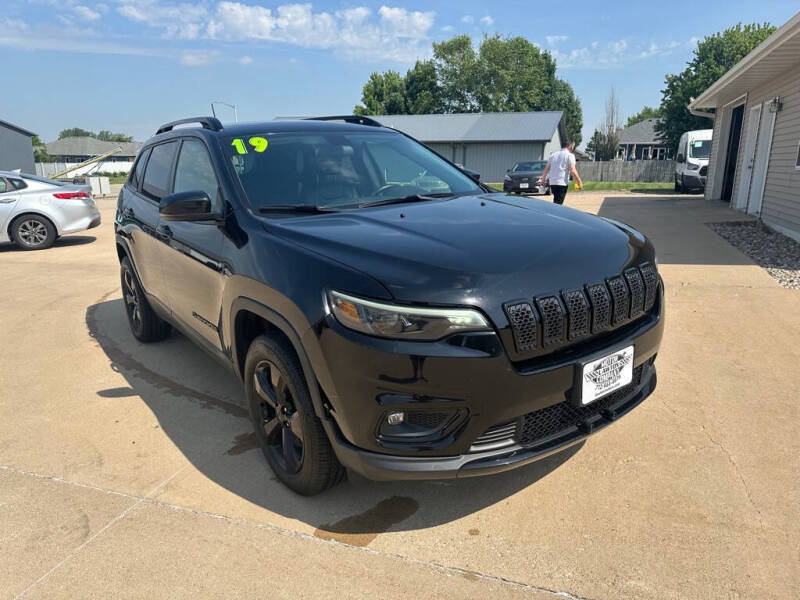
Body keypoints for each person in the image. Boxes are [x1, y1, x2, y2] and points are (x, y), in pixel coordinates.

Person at [540, 140, 583, 205]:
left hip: (552, 182)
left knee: (556, 201)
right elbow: (572, 170)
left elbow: (546, 169)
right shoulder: (570, 155)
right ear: (571, 146)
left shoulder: (553, 155)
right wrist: (579, 181)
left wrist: (543, 180)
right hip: (562, 183)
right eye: (573, 146)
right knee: (558, 204)